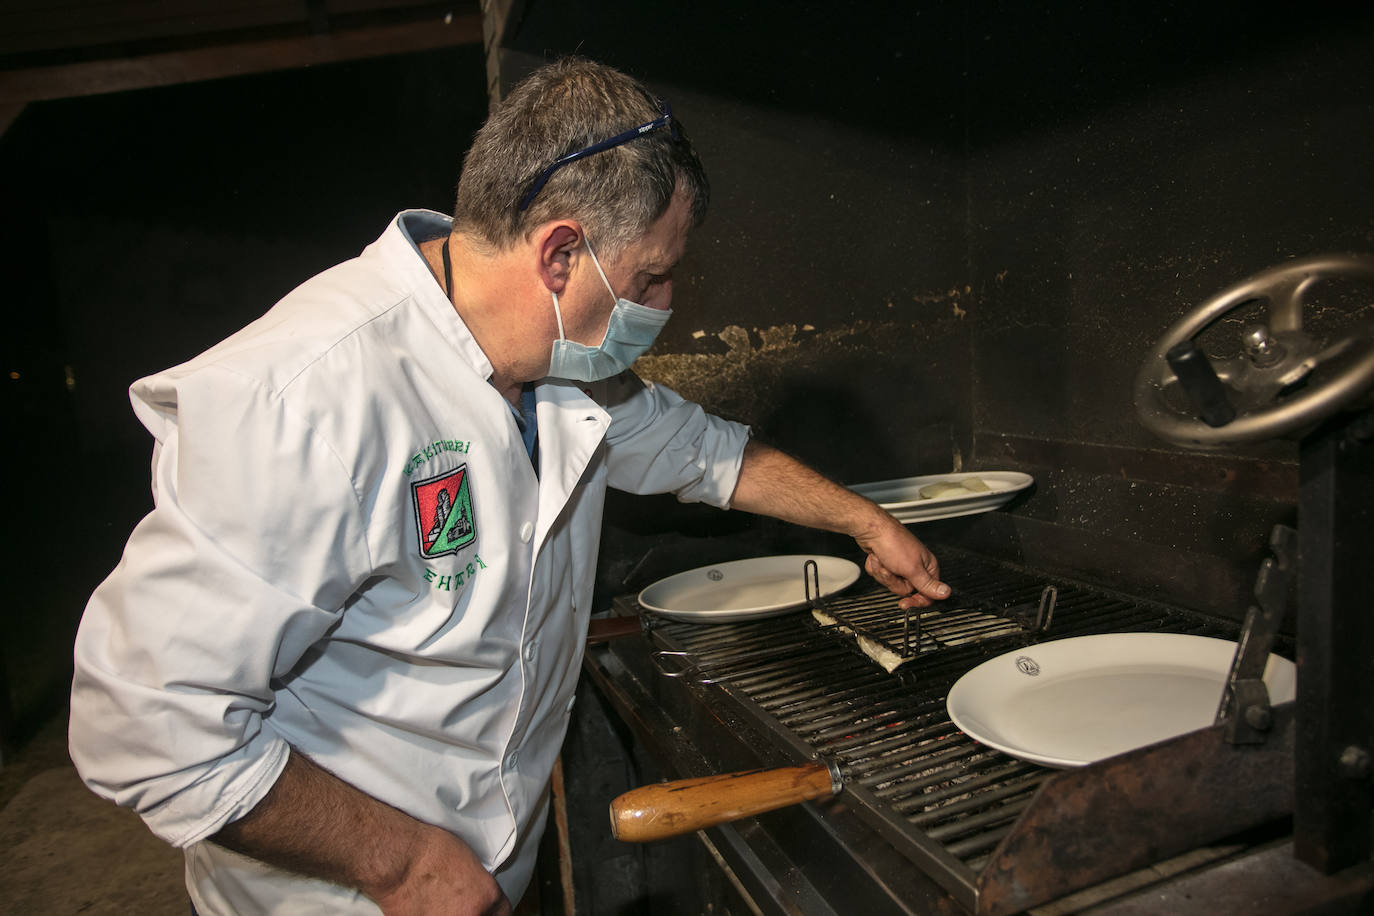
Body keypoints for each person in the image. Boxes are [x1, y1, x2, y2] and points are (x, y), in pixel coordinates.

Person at [68, 56, 949, 915]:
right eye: (651, 275)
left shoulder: (559, 364)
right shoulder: (305, 399)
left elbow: (702, 453)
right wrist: (404, 863)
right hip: (346, 895)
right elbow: (145, 727)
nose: (669, 299)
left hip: (490, 874)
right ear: (561, 252)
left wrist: (865, 521)